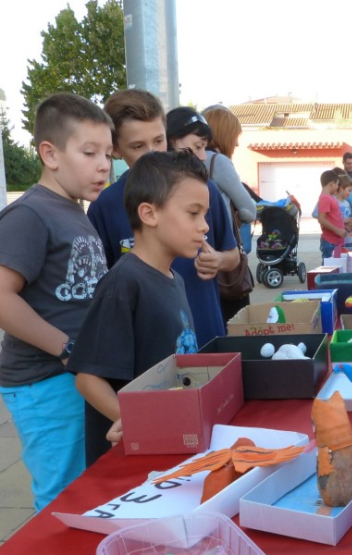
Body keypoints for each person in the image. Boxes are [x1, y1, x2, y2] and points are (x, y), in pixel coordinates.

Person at [0, 93, 113, 511]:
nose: (104, 164)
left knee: (87, 484)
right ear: (49, 153)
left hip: (75, 374)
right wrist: (66, 349)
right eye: (89, 152)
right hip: (44, 379)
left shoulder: (75, 211)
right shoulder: (31, 214)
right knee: (63, 496)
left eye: (107, 153)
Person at [70, 151, 205, 465]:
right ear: (149, 213)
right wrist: (138, 423)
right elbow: (88, 379)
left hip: (170, 446)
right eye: (193, 213)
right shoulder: (123, 284)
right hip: (131, 461)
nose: (204, 226)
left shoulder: (175, 279)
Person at [88, 92, 238, 348]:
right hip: (148, 354)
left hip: (208, 338)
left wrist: (219, 261)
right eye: (138, 146)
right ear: (115, 149)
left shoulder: (203, 189)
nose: (151, 154)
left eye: (158, 141)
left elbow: (233, 254)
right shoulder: (104, 207)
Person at [201, 105, 257, 322]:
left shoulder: (184, 161)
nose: (236, 143)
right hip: (222, 252)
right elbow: (249, 210)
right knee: (234, 322)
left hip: (199, 252)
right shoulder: (218, 162)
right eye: (234, 136)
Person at [317, 169, 348, 259]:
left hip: (337, 241)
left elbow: (334, 217)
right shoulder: (325, 198)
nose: (338, 187)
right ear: (332, 184)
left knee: (337, 266)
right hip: (330, 242)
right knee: (329, 268)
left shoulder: (329, 197)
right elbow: (321, 219)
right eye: (337, 184)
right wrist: (337, 230)